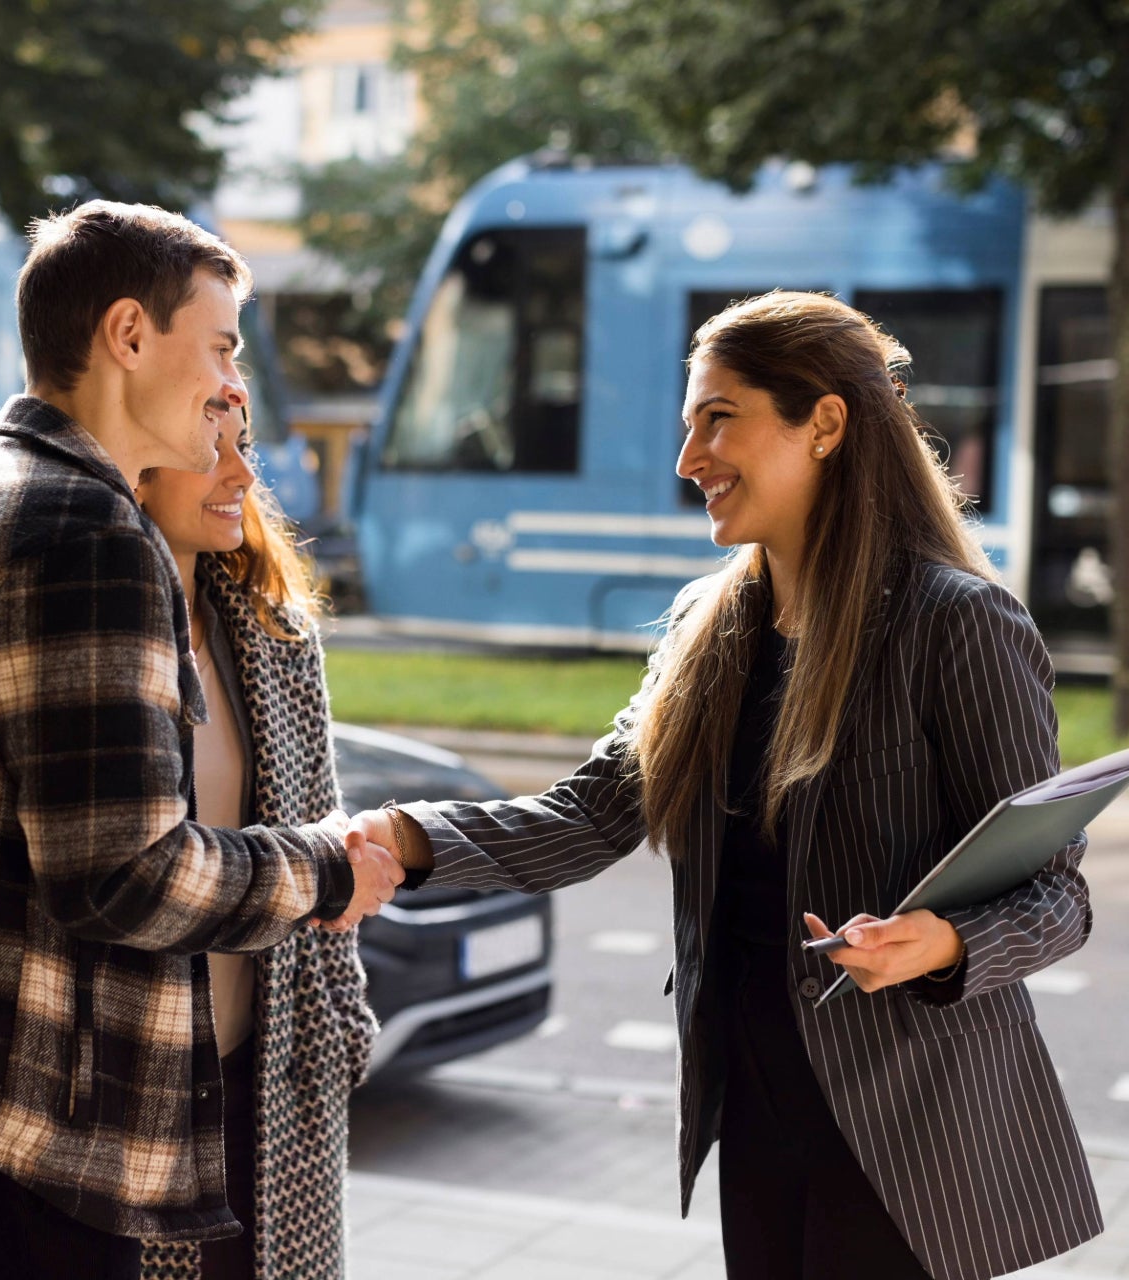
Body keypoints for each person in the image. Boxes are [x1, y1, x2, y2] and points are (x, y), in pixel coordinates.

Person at [345, 291, 1103, 1280]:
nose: (687, 460)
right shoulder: (708, 624)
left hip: (905, 1133)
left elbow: (1057, 892)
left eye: (717, 419)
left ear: (823, 423)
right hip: (752, 1102)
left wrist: (944, 941)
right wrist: (402, 834)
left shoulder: (953, 622)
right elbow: (594, 812)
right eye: (686, 425)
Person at [0, 201, 400, 1280]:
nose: (228, 384)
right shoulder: (86, 527)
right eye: (223, 345)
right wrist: (328, 867)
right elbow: (124, 875)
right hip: (12, 1159)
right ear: (129, 336)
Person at [136, 406, 373, 1280]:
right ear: (136, 463)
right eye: (213, 450)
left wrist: (343, 1024)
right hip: (142, 1092)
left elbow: (326, 832)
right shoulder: (97, 633)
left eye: (247, 450)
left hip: (272, 1071)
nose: (241, 475)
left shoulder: (273, 633)